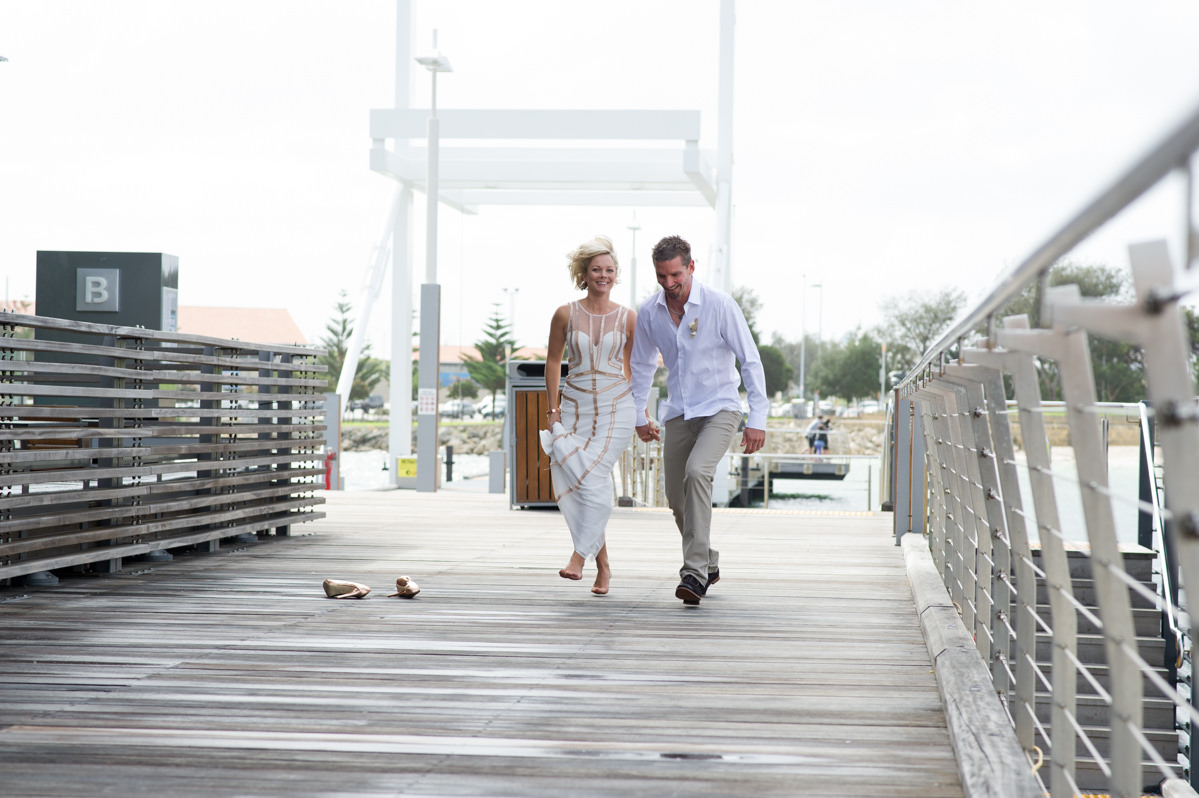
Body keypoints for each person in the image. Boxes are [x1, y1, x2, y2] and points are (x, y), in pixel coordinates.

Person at [629, 235, 767, 605]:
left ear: (691, 267)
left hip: (721, 408)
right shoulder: (649, 312)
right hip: (678, 412)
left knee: (697, 472)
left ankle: (693, 574)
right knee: (676, 498)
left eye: (675, 274)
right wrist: (639, 414)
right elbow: (641, 366)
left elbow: (749, 360)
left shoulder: (719, 305)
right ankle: (708, 560)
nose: (669, 283)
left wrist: (759, 419)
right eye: (661, 276)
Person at [540, 235, 637, 596]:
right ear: (583, 273)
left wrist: (639, 412)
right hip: (575, 408)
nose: (603, 275)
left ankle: (579, 556)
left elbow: (635, 368)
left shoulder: (629, 317)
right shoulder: (565, 313)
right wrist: (552, 410)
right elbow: (553, 362)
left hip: (616, 409)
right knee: (579, 482)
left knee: (594, 477)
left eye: (610, 270)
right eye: (596, 269)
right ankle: (605, 567)